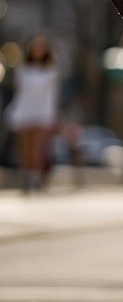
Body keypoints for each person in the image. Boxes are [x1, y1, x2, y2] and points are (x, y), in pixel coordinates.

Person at [3, 36, 61, 192]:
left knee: (37, 149)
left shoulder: (51, 71)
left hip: (42, 112)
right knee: (25, 149)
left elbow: (52, 95)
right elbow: (20, 92)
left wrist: (52, 116)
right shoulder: (23, 70)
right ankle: (25, 180)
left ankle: (36, 179)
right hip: (25, 111)